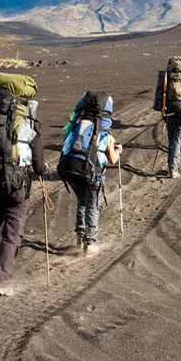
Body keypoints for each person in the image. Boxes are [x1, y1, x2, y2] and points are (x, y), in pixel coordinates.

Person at [0, 73, 47, 297]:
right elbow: (39, 163)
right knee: (13, 230)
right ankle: (2, 280)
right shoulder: (26, 118)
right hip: (17, 181)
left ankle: (0, 268)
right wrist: (41, 172)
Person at [57, 92, 120, 255]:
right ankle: (89, 243)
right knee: (93, 204)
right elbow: (112, 159)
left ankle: (80, 236)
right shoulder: (104, 129)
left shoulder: (78, 122)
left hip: (71, 165)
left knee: (82, 201)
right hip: (93, 171)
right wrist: (117, 150)